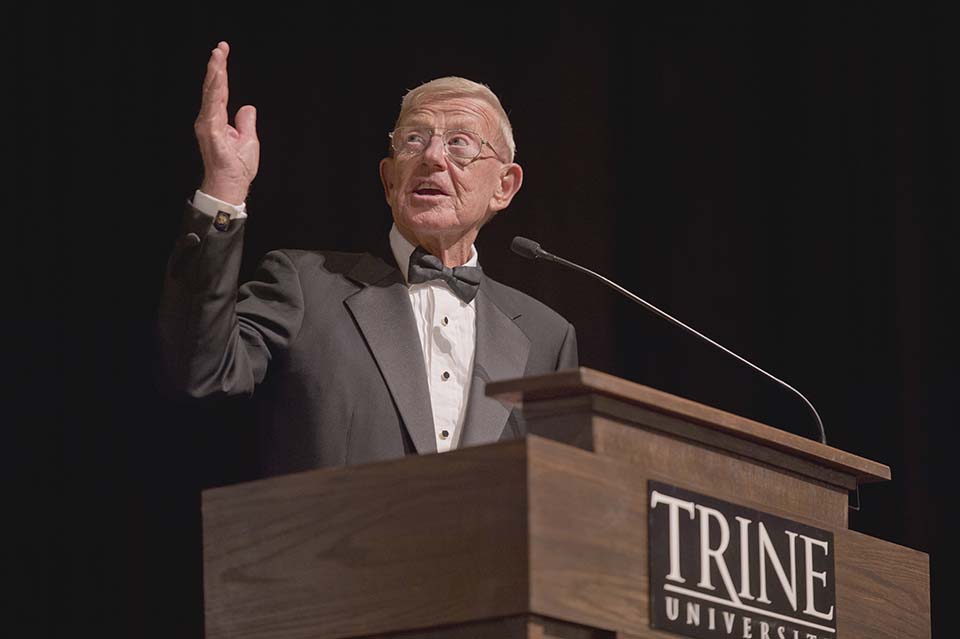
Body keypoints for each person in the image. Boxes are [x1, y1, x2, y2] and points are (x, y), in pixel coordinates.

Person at [158, 42, 578, 478]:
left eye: (460, 143)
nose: (432, 157)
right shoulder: (305, 285)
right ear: (389, 179)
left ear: (504, 187)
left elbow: (564, 494)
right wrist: (224, 187)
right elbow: (201, 372)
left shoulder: (547, 338)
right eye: (413, 139)